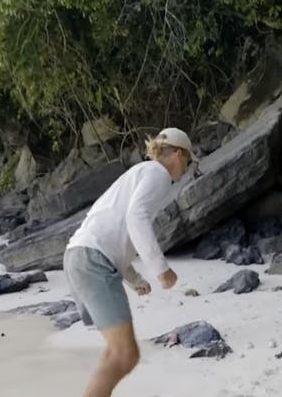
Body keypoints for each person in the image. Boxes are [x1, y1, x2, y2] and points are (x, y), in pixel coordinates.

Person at [63, 127, 197, 397]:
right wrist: (161, 270)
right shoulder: (157, 173)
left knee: (117, 353)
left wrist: (135, 279)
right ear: (179, 154)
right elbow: (135, 219)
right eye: (189, 161)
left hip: (79, 256)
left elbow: (113, 232)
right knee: (125, 354)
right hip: (92, 261)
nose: (187, 167)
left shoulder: (137, 175)